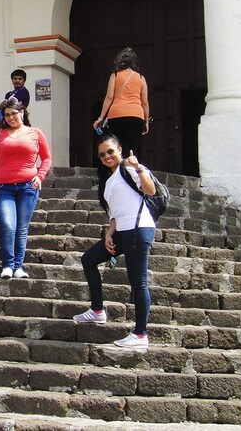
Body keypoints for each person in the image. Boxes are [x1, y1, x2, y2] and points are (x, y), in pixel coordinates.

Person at [74, 134, 156, 350]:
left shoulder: (130, 168)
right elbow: (115, 213)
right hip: (122, 231)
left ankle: (140, 334)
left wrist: (138, 167)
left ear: (119, 149)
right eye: (102, 154)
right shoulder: (110, 181)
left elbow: (150, 190)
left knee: (138, 282)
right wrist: (109, 233)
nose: (107, 156)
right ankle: (98, 311)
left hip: (139, 229)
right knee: (89, 259)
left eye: (110, 151)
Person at [0, 98, 51, 279]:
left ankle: (18, 266)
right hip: (3, 187)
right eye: (7, 115)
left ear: (22, 112)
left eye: (13, 113)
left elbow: (47, 158)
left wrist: (40, 176)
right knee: (7, 225)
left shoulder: (35, 133)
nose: (10, 118)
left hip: (28, 186)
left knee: (22, 227)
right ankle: (7, 264)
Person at [92, 47, 150, 211]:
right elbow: (144, 102)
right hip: (136, 117)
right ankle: (132, 186)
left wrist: (101, 117)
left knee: (116, 150)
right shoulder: (140, 78)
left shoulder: (115, 76)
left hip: (117, 116)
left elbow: (109, 97)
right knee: (131, 153)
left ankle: (113, 182)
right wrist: (146, 122)